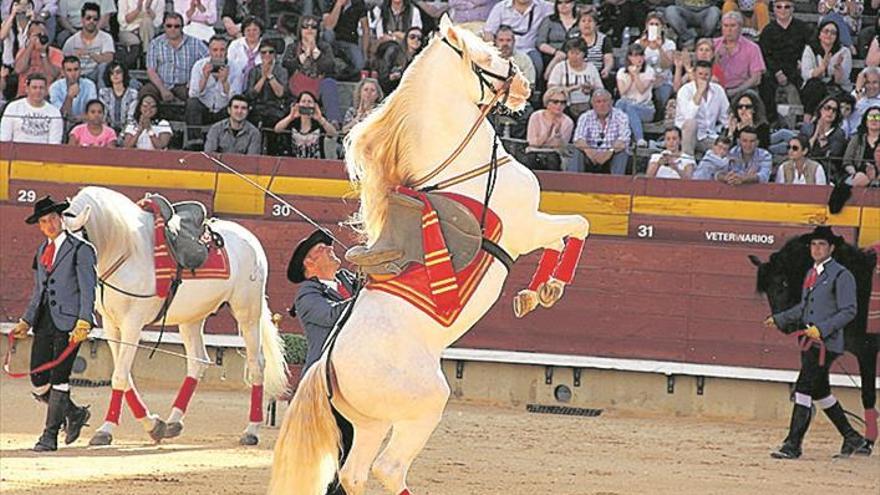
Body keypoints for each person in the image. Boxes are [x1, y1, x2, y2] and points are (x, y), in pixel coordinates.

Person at [764, 226, 870, 459]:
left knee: (803, 388)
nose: (817, 248)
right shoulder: (813, 273)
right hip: (810, 341)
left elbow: (849, 310)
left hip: (826, 344)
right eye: (814, 244)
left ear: (831, 248)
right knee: (820, 392)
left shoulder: (842, 275)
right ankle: (853, 438)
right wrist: (780, 318)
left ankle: (793, 445)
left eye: (822, 244)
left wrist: (821, 329)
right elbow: (804, 307)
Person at [10, 196, 95, 451]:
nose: (49, 225)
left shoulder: (81, 248)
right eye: (44, 221)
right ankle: (75, 414)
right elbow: (39, 291)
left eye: (52, 219)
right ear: (40, 225)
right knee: (38, 377)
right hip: (44, 321)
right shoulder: (42, 250)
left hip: (70, 323)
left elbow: (88, 288)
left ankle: (49, 435)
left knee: (60, 377)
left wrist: (84, 320)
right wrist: (26, 319)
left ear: (61, 219)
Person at [286, 228, 358, 495]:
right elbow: (331, 317)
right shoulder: (306, 294)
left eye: (329, 247)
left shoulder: (348, 281)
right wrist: (367, 296)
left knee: (351, 450)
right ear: (309, 264)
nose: (330, 249)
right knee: (332, 454)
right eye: (321, 250)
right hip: (324, 388)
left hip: (352, 382)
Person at [281, 14, 341, 124]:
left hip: (317, 86)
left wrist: (316, 53)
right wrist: (304, 56)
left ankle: (334, 122)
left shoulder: (325, 47)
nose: (309, 29)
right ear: (300, 30)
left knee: (330, 83)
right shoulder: (292, 47)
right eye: (305, 26)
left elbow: (330, 67)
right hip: (296, 87)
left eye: (313, 27)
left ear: (318, 30)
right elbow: (286, 64)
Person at [758, 0, 810, 124]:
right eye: (779, 6)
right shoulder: (768, 30)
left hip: (796, 68)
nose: (783, 10)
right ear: (774, 9)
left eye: (787, 7)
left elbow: (811, 45)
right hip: (774, 70)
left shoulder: (802, 27)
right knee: (765, 82)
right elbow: (765, 54)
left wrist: (804, 61)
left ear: (792, 9)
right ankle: (770, 120)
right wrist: (777, 72)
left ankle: (803, 121)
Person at [141, 12, 209, 108]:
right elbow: (151, 70)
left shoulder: (195, 43)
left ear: (182, 27)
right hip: (160, 83)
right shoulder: (155, 44)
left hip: (185, 85)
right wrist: (162, 89)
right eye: (169, 26)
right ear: (164, 26)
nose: (172, 29)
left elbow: (208, 61)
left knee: (196, 100)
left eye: (176, 26)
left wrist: (194, 81)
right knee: (146, 94)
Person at [482, 0, 553, 78]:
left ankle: (533, 88)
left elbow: (563, 7)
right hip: (505, 49)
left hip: (529, 50)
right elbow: (489, 32)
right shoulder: (501, 8)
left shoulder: (543, 7)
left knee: (537, 63)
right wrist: (493, 52)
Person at [800, 20, 853, 123]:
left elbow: (842, 80)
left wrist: (838, 69)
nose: (829, 35)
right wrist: (822, 67)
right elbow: (806, 75)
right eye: (826, 31)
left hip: (835, 89)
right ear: (819, 34)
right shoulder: (810, 49)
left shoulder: (844, 52)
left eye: (833, 33)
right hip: (812, 89)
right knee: (815, 85)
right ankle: (808, 119)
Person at [675, 60, 730, 157]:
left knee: (723, 149)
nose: (703, 77)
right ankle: (687, 161)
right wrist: (699, 92)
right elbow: (688, 116)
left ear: (711, 76)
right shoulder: (685, 91)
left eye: (706, 74)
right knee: (691, 123)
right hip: (686, 136)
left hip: (709, 135)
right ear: (695, 74)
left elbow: (725, 115)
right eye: (700, 74)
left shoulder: (718, 90)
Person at [185, 35, 232, 146]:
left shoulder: (234, 67)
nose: (218, 54)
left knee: (236, 106)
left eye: (222, 50)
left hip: (224, 110)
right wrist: (204, 78)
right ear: (209, 51)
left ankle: (228, 144)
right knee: (192, 104)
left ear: (226, 51)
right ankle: (194, 142)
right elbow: (193, 94)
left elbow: (235, 97)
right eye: (215, 50)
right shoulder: (199, 65)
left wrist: (225, 82)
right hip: (204, 109)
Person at [571, 88, 631, 175]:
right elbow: (578, 139)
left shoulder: (621, 116)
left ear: (611, 103)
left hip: (611, 155)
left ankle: (617, 185)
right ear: (592, 104)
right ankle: (574, 183)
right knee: (578, 151)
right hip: (590, 155)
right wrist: (591, 153)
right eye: (598, 102)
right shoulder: (585, 117)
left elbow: (623, 140)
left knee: (622, 152)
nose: (602, 105)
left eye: (605, 101)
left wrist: (609, 152)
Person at [246, 39, 289, 154]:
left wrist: (270, 76)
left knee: (274, 124)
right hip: (257, 107)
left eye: (270, 52)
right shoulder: (254, 71)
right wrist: (263, 77)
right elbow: (251, 94)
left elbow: (280, 93)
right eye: (264, 52)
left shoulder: (281, 71)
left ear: (275, 54)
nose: (267, 55)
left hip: (275, 108)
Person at [713, 11, 765, 98]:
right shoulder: (713, 44)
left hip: (742, 89)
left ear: (740, 28)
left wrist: (736, 91)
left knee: (750, 96)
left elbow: (756, 78)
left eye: (733, 26)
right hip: (716, 88)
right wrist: (716, 58)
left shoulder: (752, 48)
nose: (729, 30)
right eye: (725, 26)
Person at [545, 37, 601, 118]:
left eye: (577, 53)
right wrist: (570, 89)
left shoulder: (591, 68)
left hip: (587, 105)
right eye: (571, 53)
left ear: (584, 54)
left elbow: (600, 89)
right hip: (565, 106)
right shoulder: (560, 67)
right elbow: (551, 89)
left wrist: (591, 89)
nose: (574, 56)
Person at [0, 73, 63, 143]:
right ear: (27, 89)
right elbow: (4, 139)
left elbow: (54, 143)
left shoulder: (54, 112)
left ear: (46, 90)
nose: (38, 91)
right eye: (34, 87)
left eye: (41, 88)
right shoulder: (13, 108)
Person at [274, 90, 338, 158]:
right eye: (303, 101)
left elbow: (333, 133)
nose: (306, 104)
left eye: (309, 102)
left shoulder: (319, 122)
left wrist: (320, 119)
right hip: (293, 163)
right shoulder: (293, 122)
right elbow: (277, 129)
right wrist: (291, 117)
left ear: (315, 105)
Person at [61, 2, 114, 84]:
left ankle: (102, 95)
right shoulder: (71, 41)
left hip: (95, 74)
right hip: (77, 75)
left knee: (103, 67)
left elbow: (109, 59)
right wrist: (74, 57)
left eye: (95, 19)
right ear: (82, 19)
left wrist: (90, 53)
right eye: (88, 18)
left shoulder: (106, 37)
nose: (91, 21)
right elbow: (64, 63)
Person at [615, 43, 655, 148]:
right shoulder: (621, 72)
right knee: (620, 103)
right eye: (635, 55)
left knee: (630, 108)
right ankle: (616, 135)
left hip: (645, 107)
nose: (639, 58)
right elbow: (622, 92)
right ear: (629, 57)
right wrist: (631, 77)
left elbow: (642, 90)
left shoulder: (649, 71)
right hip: (627, 105)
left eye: (641, 55)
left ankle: (639, 139)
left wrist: (636, 75)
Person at [524, 86, 573, 171]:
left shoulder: (567, 122)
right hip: (534, 152)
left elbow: (560, 148)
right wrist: (548, 131)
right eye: (555, 102)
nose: (559, 105)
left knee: (551, 160)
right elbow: (533, 143)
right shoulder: (536, 116)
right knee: (530, 159)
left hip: (554, 155)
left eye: (563, 102)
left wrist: (558, 135)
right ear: (547, 102)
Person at [637, 12, 677, 112]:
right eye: (651, 24)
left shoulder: (669, 44)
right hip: (644, 80)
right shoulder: (639, 43)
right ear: (646, 26)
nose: (654, 26)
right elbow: (635, 64)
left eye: (656, 24)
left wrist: (659, 48)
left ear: (662, 27)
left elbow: (666, 65)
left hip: (663, 80)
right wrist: (643, 48)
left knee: (662, 96)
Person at [799, 94, 847, 175]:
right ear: (820, 109)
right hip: (804, 167)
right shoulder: (807, 128)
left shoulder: (839, 134)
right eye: (827, 108)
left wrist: (822, 137)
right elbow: (801, 150)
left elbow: (830, 156)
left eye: (834, 110)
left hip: (826, 171)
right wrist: (815, 135)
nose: (830, 112)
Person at [12, 20, 62, 96]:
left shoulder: (56, 53)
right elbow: (19, 69)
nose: (41, 37)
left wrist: (43, 53)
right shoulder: (23, 51)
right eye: (37, 35)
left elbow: (53, 74)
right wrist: (30, 46)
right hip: (24, 94)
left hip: (46, 95)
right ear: (29, 36)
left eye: (43, 34)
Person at [321, 0, 370, 77]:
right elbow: (329, 26)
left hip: (349, 40)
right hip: (333, 40)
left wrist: (365, 53)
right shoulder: (329, 2)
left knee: (360, 64)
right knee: (328, 33)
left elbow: (366, 29)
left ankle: (344, 74)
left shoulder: (358, 3)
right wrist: (338, 4)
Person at [49, 54, 97, 127]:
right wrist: (69, 97)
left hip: (84, 123)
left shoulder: (90, 85)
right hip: (62, 124)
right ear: (63, 72)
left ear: (80, 70)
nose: (73, 74)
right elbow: (60, 115)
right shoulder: (55, 87)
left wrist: (80, 118)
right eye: (69, 70)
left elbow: (93, 110)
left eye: (76, 69)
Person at [376, 25, 423, 94]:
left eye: (419, 38)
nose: (416, 40)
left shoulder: (421, 57)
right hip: (392, 89)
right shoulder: (394, 52)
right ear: (406, 39)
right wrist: (391, 77)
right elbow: (382, 77)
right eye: (412, 37)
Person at [535, 0, 577, 76]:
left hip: (576, 56)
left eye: (567, 2)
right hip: (551, 55)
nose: (563, 5)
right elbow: (540, 43)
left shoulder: (580, 21)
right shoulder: (549, 21)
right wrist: (555, 52)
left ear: (573, 3)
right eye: (560, 3)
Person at [841, 105, 880, 185]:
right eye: (870, 117)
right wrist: (854, 173)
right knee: (859, 179)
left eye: (877, 117)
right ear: (865, 120)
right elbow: (847, 161)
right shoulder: (857, 138)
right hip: (859, 175)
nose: (874, 120)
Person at [98, 62, 138, 134]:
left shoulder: (133, 94)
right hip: (108, 130)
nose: (115, 75)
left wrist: (123, 134)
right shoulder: (103, 93)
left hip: (129, 130)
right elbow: (104, 117)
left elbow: (130, 118)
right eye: (111, 73)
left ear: (124, 74)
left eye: (118, 72)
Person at [227, 16, 262, 95]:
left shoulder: (266, 46)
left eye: (255, 30)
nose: (251, 33)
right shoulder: (235, 44)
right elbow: (229, 65)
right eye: (248, 30)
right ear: (243, 31)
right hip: (236, 82)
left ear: (260, 31)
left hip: (258, 84)